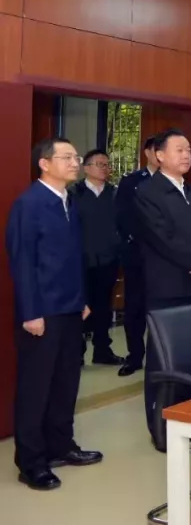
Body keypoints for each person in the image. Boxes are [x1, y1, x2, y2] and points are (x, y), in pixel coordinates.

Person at [7, 138, 103, 491]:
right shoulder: (29, 204)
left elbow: (74, 257)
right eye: (66, 157)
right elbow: (22, 261)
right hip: (42, 313)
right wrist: (31, 312)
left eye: (76, 157)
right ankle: (31, 462)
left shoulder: (69, 201)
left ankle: (61, 445)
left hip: (70, 308)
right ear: (45, 164)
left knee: (66, 382)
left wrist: (82, 299)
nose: (75, 162)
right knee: (36, 388)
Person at [134, 129, 191, 310]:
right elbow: (161, 237)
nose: (186, 155)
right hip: (169, 286)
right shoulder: (147, 191)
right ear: (160, 155)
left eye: (188, 151)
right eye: (179, 150)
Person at [69, 149, 124, 366]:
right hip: (80, 261)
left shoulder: (115, 194)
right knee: (80, 308)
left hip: (108, 260)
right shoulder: (74, 194)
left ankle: (102, 350)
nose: (104, 168)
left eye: (106, 165)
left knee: (103, 307)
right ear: (86, 168)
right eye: (99, 164)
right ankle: (76, 352)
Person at [114, 136, 160, 377]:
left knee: (161, 308)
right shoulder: (131, 181)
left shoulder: (176, 182)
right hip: (137, 254)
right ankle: (134, 357)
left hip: (165, 259)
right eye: (156, 150)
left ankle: (161, 357)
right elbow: (121, 216)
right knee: (135, 308)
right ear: (148, 153)